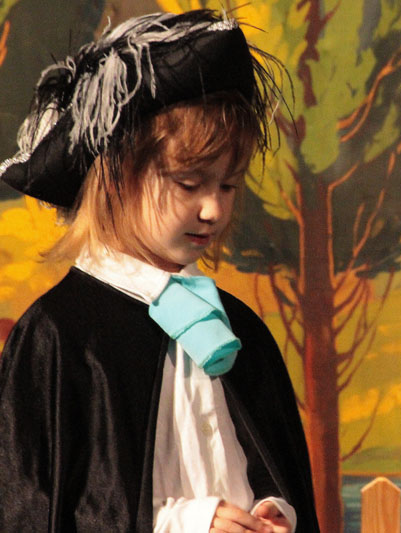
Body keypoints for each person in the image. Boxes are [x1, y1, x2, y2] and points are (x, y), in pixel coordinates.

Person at [0, 10, 319, 533]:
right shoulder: (60, 334)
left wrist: (272, 511)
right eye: (189, 184)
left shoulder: (241, 330)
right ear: (115, 177)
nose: (213, 210)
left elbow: (274, 467)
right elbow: (33, 512)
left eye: (228, 185)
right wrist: (185, 524)